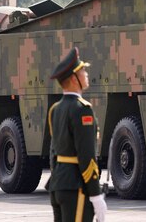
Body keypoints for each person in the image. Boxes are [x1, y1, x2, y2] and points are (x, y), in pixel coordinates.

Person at [47, 47, 108, 222]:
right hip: (76, 188)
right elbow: (87, 156)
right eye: (82, 71)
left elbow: (54, 154)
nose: (86, 74)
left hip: (58, 185)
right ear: (74, 79)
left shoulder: (55, 110)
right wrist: (95, 195)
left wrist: (60, 178)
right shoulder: (82, 110)